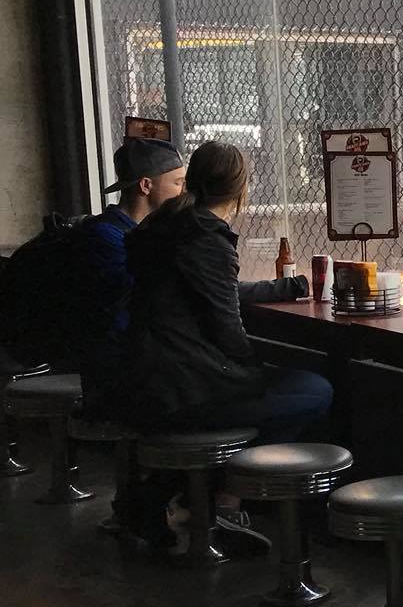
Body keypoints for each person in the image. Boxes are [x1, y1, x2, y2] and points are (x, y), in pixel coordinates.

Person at [116, 140, 328, 545]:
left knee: (263, 397)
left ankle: (156, 495)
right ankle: (226, 501)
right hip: (184, 387)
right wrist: (252, 369)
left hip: (148, 379)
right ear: (241, 189)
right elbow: (227, 326)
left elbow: (215, 290)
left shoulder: (166, 228)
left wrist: (283, 288)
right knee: (314, 389)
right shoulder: (206, 238)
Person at [71, 136, 187, 413]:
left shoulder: (125, 232)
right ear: (146, 185)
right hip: (121, 371)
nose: (183, 193)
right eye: (177, 183)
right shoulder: (106, 237)